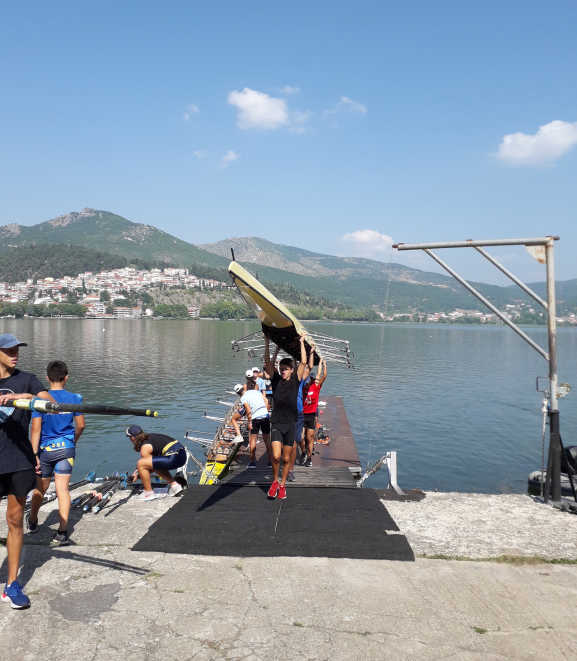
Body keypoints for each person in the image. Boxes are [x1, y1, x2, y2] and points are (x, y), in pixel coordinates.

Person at [0, 333, 53, 609]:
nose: (15, 354)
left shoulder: (27, 379)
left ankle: (12, 584)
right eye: (9, 350)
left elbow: (48, 402)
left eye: (17, 349)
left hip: (19, 460)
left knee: (15, 520)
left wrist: (25, 397)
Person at [27, 360, 86, 546]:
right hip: (66, 449)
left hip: (45, 450)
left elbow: (35, 428)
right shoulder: (75, 398)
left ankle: (33, 521)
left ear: (47, 378)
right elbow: (81, 425)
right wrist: (72, 441)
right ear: (66, 377)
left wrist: (34, 454)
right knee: (62, 489)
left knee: (40, 489)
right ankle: (62, 532)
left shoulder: (39, 400)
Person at [263, 334, 308, 500]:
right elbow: (268, 363)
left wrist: (302, 342)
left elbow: (303, 362)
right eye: (281, 368)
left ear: (291, 370)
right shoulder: (275, 380)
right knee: (276, 456)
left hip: (290, 424)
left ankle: (282, 485)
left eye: (285, 369)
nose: (282, 371)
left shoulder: (296, 380)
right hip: (276, 423)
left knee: (286, 458)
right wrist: (268, 343)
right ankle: (275, 482)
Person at [126, 425, 187, 501]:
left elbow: (144, 465)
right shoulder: (150, 437)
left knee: (141, 463)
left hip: (173, 457)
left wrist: (138, 474)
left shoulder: (145, 447)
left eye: (129, 437)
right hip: (182, 455)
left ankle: (148, 493)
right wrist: (137, 473)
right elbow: (152, 464)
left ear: (133, 438)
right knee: (154, 464)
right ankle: (175, 486)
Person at [231, 378, 271, 467]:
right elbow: (266, 401)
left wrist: (249, 422)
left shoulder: (243, 398)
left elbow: (248, 410)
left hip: (255, 418)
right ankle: (270, 462)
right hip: (265, 416)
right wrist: (265, 411)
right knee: (267, 440)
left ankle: (252, 462)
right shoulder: (257, 392)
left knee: (253, 440)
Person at [302, 358, 327, 467]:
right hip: (302, 415)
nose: (311, 381)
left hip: (311, 415)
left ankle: (309, 458)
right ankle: (303, 451)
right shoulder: (302, 387)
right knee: (301, 437)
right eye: (310, 379)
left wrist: (324, 365)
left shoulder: (316, 387)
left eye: (312, 379)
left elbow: (323, 376)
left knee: (310, 438)